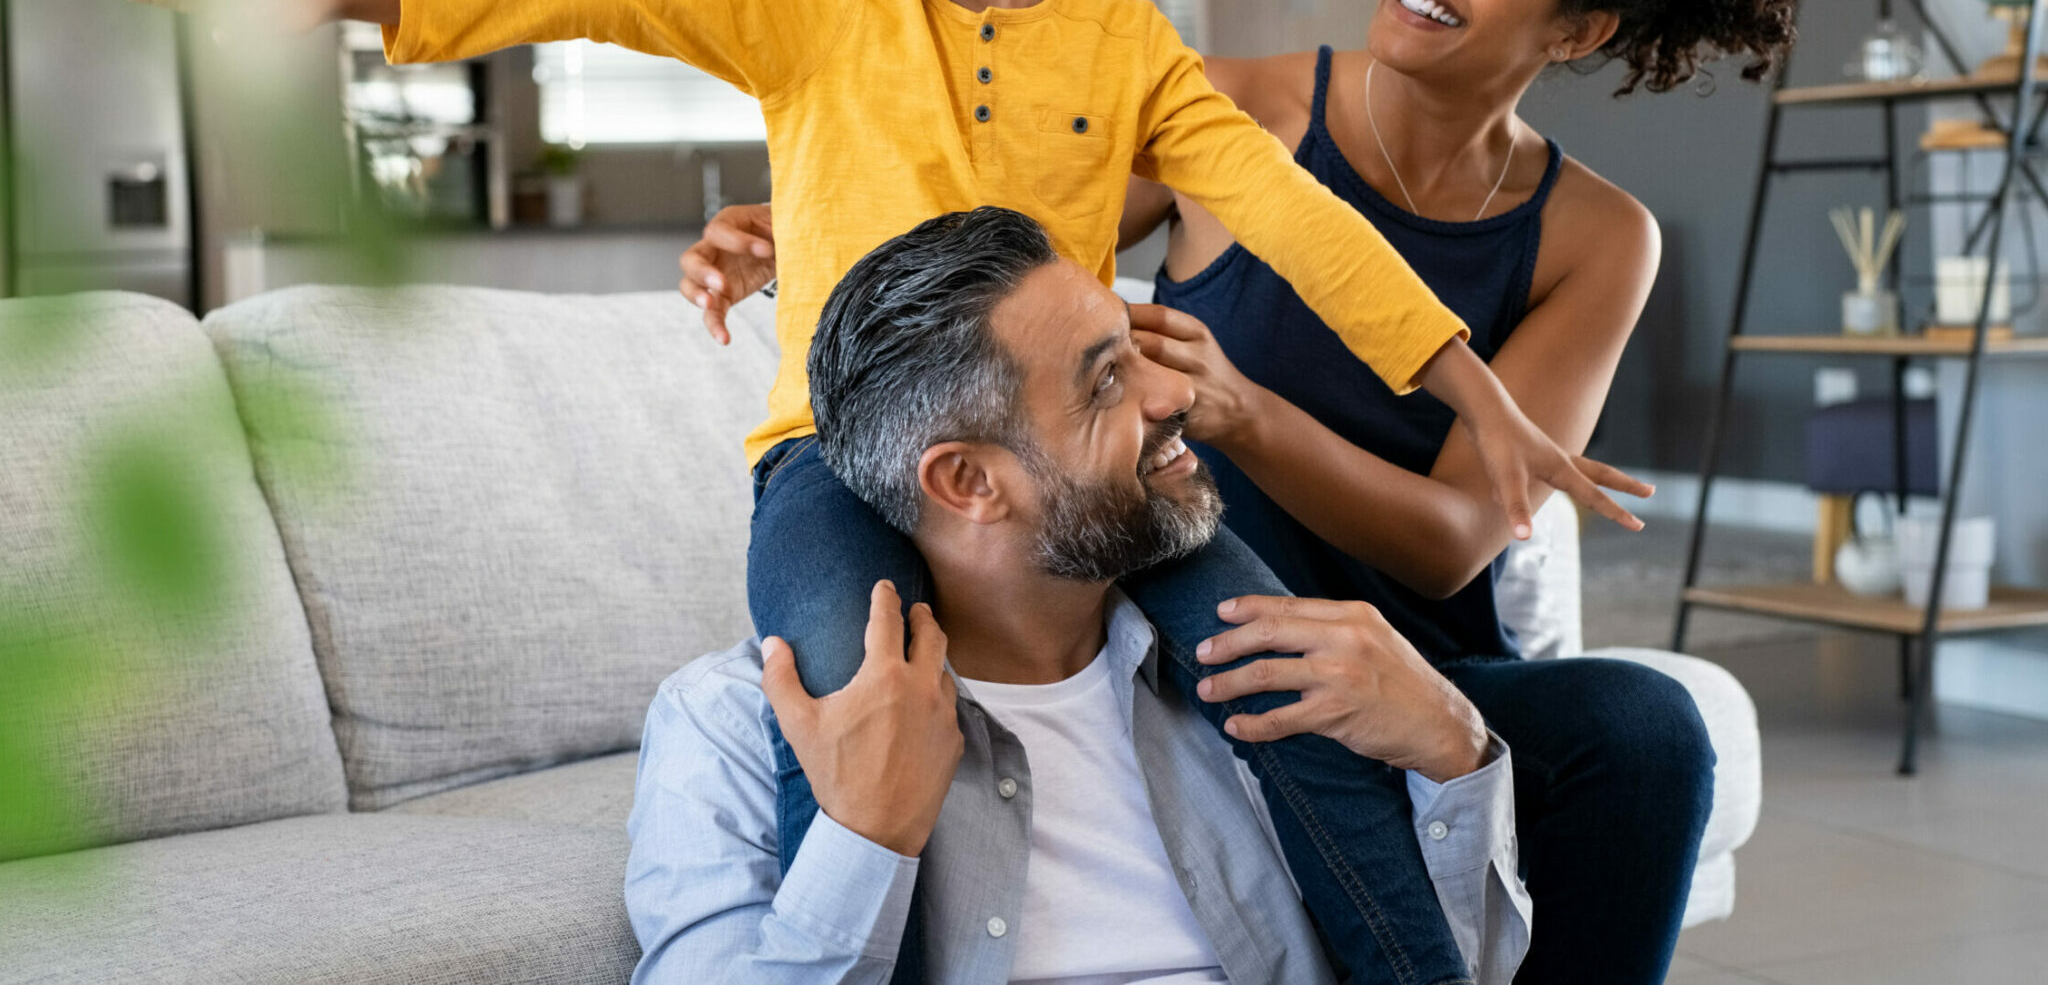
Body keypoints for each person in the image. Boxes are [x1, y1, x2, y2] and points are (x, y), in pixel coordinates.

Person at [106, 0, 1642, 983]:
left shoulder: (1130, 51)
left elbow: (1304, 217)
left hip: (1074, 467)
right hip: (833, 464)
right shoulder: (811, 7)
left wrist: (1477, 394)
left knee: (1279, 679)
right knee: (849, 703)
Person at [681, 0, 1810, 983]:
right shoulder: (1231, 109)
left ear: (1574, 30)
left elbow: (1449, 545)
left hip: (1403, 658)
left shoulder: (1595, 236)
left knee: (1644, 731)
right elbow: (1002, 263)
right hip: (1189, 650)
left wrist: (1242, 415)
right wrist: (794, 237)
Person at [626, 206, 1530, 983]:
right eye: (1108, 382)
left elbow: (1447, 964)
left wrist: (1452, 749)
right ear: (970, 483)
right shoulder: (732, 725)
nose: (1179, 393)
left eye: (1141, 354)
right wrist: (864, 837)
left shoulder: (1268, 681)